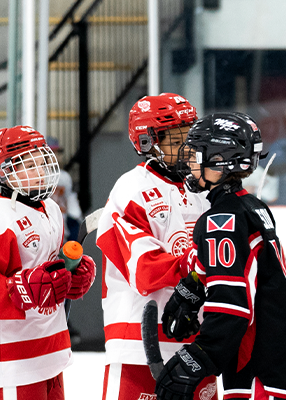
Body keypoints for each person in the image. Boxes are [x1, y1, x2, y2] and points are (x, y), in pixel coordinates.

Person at [154, 112, 286, 400]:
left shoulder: (221, 218)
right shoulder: (251, 206)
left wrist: (201, 355)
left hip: (260, 371)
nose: (190, 162)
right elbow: (247, 270)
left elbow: (233, 306)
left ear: (219, 161)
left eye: (197, 153)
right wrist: (192, 286)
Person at [0, 125, 95, 399]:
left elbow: (51, 270)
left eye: (41, 161)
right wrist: (23, 287)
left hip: (51, 351)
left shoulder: (52, 209)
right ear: (3, 172)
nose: (40, 170)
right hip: (12, 359)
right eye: (28, 165)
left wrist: (71, 274)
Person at [96, 93, 217, 400]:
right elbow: (144, 271)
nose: (189, 148)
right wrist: (197, 264)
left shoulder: (204, 189)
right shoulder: (131, 189)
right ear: (148, 142)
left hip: (197, 342)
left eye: (192, 137)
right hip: (138, 344)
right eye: (178, 139)